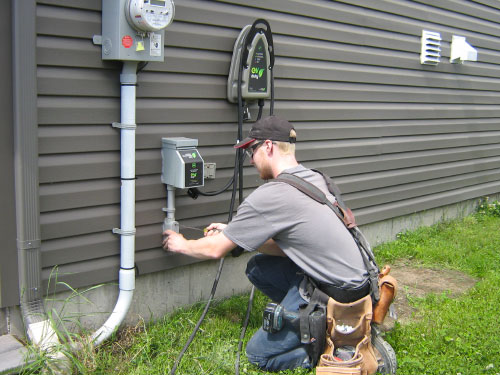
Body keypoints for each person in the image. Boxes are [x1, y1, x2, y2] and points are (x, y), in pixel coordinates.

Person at [162, 115, 370, 371]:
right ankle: (308, 321)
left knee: (259, 356)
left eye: (252, 149)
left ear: (269, 146)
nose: (250, 159)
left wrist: (180, 243)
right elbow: (290, 243)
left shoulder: (272, 194)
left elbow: (215, 249)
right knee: (258, 267)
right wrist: (235, 231)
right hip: (357, 285)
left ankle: (327, 346)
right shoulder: (313, 178)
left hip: (334, 296)